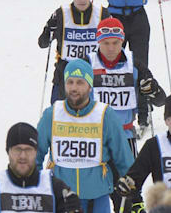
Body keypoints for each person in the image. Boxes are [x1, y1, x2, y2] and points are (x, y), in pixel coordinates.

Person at [35, 59, 135, 213]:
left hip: (97, 198)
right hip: (62, 199)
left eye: (80, 82)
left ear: (90, 86)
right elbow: (35, 155)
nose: (74, 88)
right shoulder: (52, 114)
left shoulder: (105, 115)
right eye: (70, 82)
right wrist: (36, 188)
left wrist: (132, 192)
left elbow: (123, 157)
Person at [0, 122, 82, 213]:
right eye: (17, 149)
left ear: (36, 152)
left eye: (28, 150)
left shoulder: (54, 188)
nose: (23, 156)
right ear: (8, 151)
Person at [88, 19, 167, 151]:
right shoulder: (87, 64)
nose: (111, 48)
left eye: (115, 42)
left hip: (125, 135)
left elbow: (161, 101)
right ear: (98, 41)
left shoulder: (134, 65)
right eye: (106, 43)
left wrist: (153, 90)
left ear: (122, 41)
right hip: (93, 136)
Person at [40, 0, 110, 102]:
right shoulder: (61, 14)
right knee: (58, 110)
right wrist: (48, 29)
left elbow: (114, 44)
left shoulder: (102, 14)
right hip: (65, 70)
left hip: (93, 71)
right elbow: (43, 43)